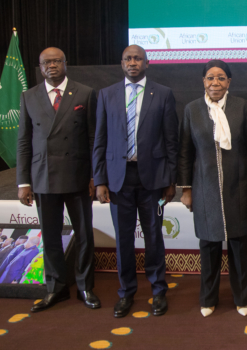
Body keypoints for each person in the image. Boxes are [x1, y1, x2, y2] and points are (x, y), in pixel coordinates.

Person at [93, 44, 179, 318]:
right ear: (121, 63)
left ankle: (158, 291)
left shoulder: (163, 94)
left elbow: (171, 140)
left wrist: (171, 179)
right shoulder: (106, 95)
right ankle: (126, 292)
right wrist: (100, 180)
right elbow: (100, 140)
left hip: (153, 179)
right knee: (123, 240)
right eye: (128, 59)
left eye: (138, 58)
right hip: (118, 179)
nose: (133, 62)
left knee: (154, 237)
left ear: (147, 63)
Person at [177, 60, 247, 317]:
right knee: (209, 246)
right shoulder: (192, 109)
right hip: (205, 189)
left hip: (238, 188)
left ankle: (242, 299)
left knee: (239, 246)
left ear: (229, 82)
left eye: (221, 78)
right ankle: (208, 299)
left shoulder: (242, 107)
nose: (215, 82)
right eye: (210, 78)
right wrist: (186, 189)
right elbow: (185, 152)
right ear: (203, 81)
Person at [16, 47, 99, 312]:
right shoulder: (29, 96)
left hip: (78, 176)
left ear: (65, 63)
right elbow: (24, 141)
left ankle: (85, 286)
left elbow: (93, 138)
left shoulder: (85, 93)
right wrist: (23, 182)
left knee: (84, 235)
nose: (51, 66)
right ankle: (56, 288)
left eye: (56, 61)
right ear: (40, 67)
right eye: (46, 62)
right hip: (43, 176)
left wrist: (95, 175)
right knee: (50, 237)